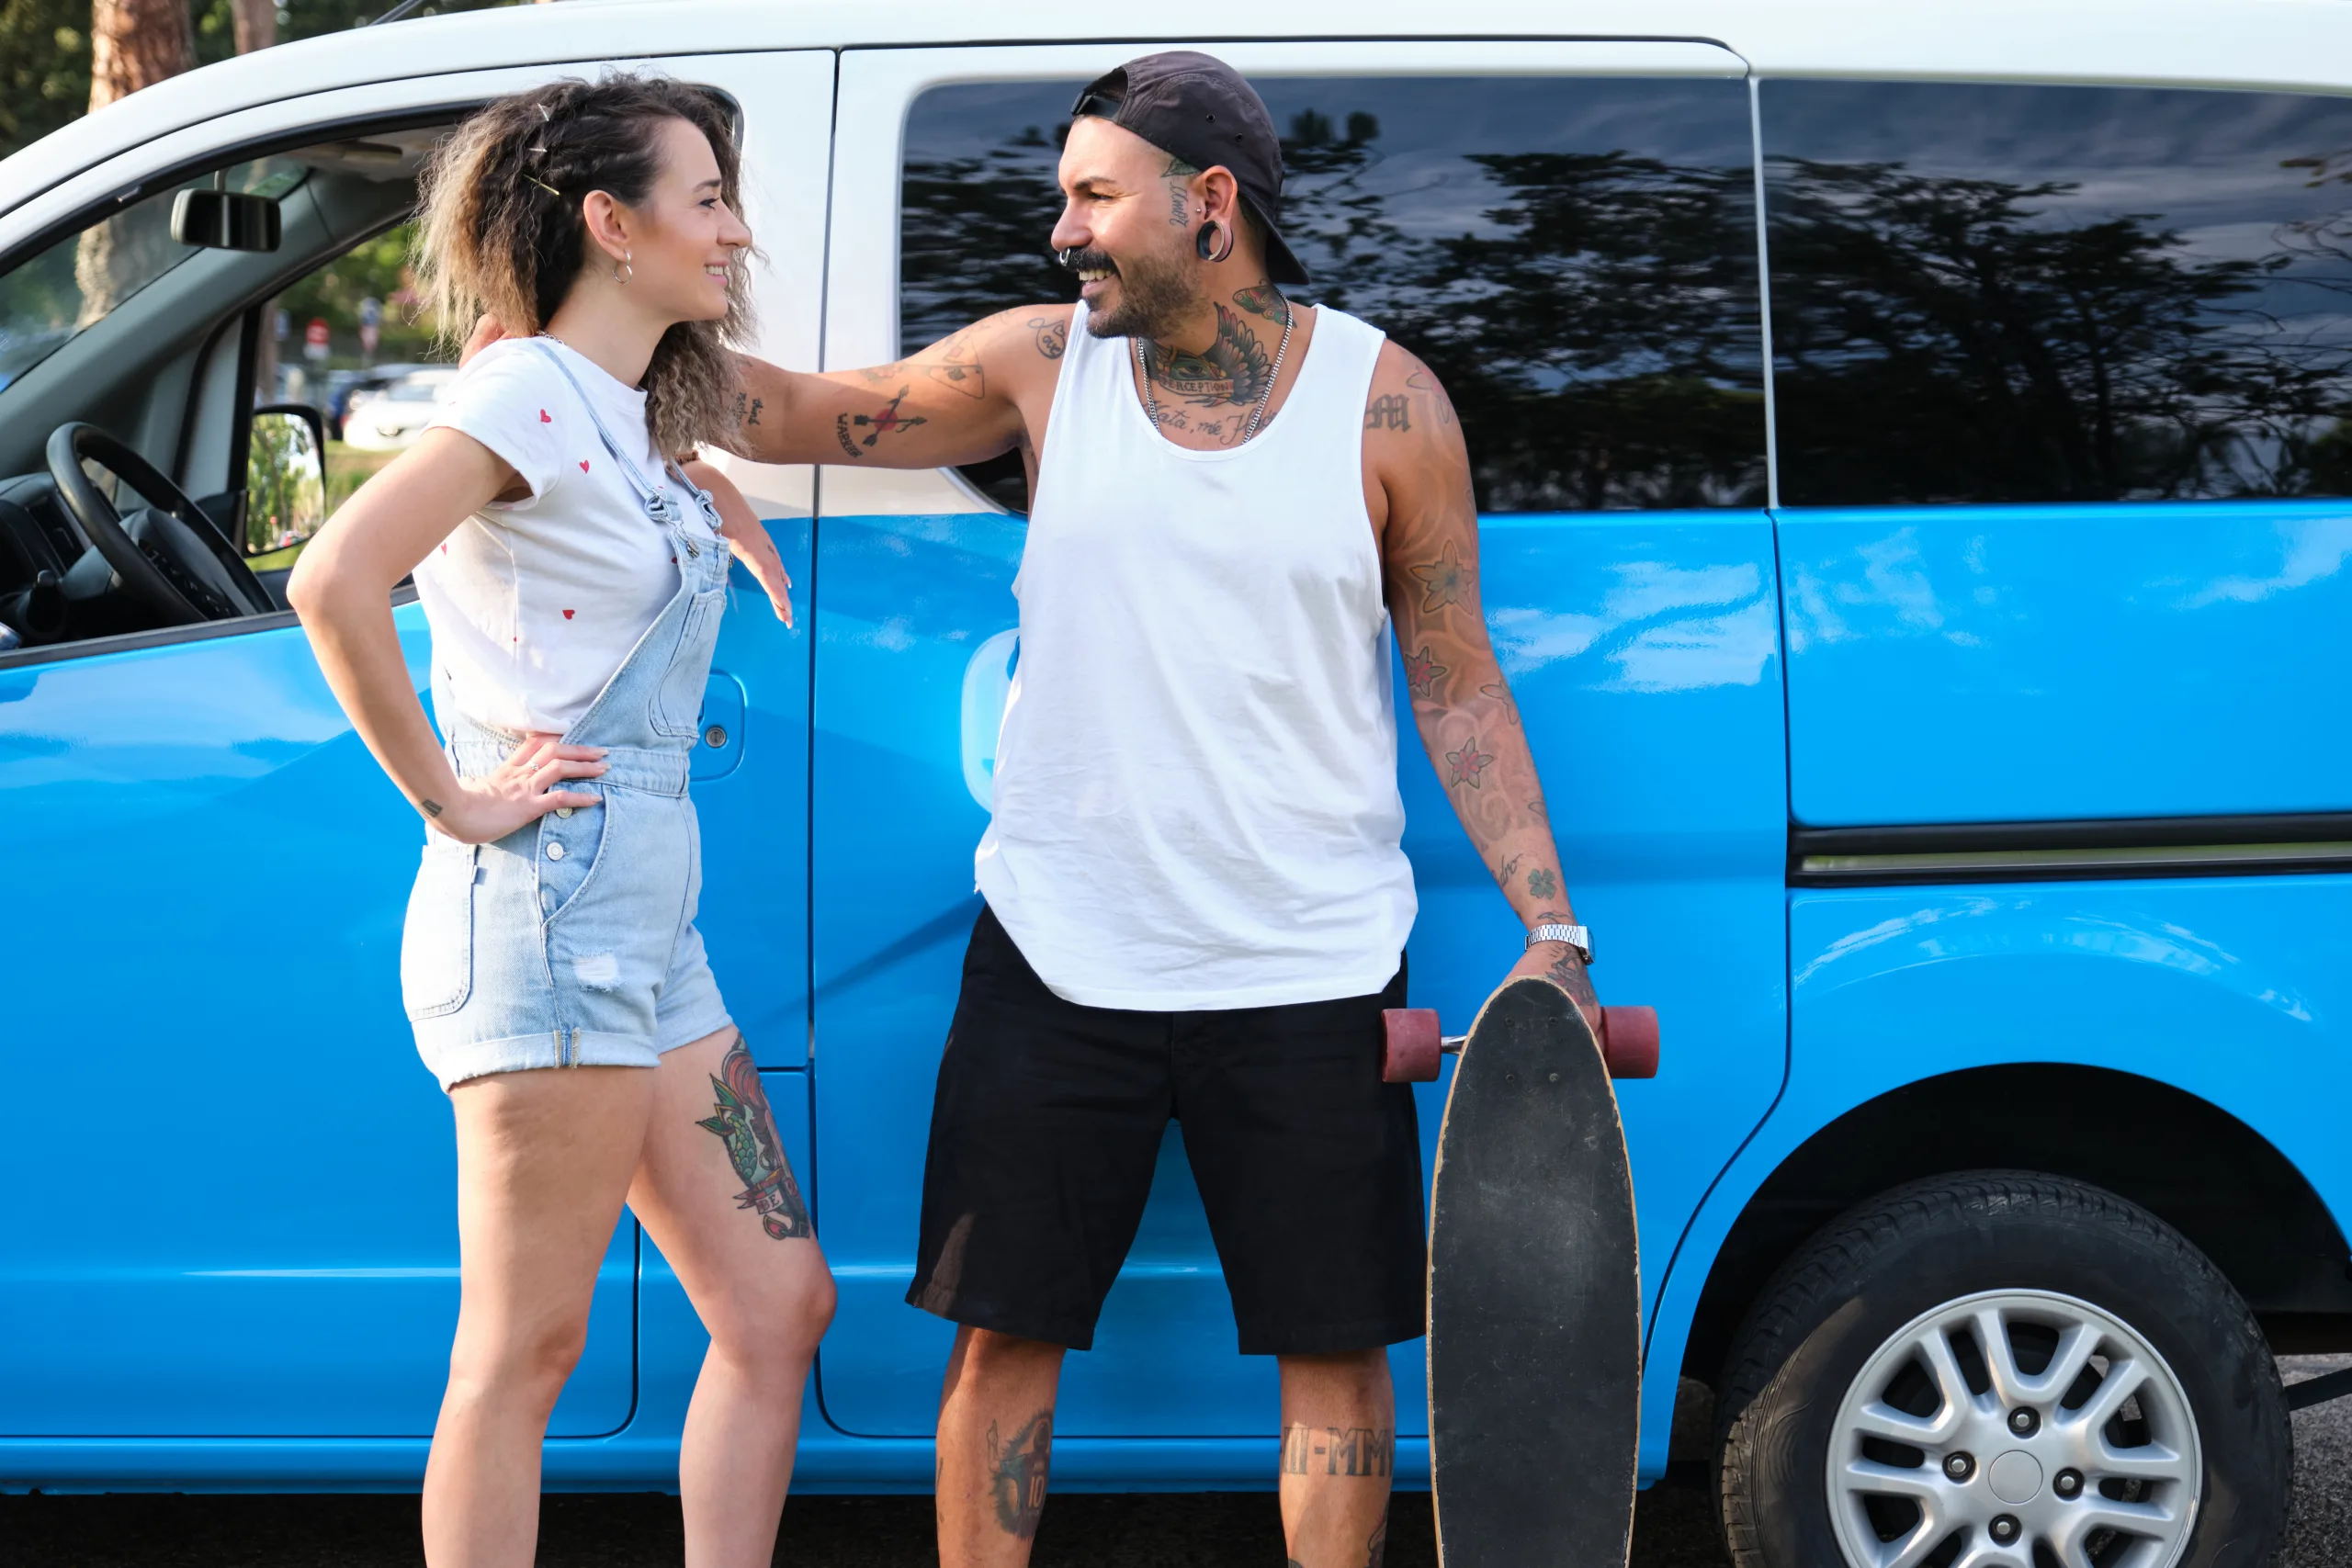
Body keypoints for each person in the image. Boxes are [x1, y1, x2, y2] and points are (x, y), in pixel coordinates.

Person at [546, 48, 1594, 1568]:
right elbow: (801, 413)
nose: (1062, 231)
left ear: (1210, 203)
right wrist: (573, 339)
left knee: (1337, 1355)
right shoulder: (1045, 364)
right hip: (1060, 951)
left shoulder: (1387, 407)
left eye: (1093, 197)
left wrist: (1548, 919)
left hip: (1310, 960)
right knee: (1002, 1344)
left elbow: (1454, 675)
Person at [287, 74, 831, 1568]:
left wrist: (697, 486)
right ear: (613, 222)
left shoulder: (605, 404)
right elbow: (333, 579)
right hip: (546, 904)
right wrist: (453, 800)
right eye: (707, 197)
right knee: (525, 1349)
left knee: (778, 1304)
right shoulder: (521, 390)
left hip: (646, 920)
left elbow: (580, 535)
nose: (734, 232)